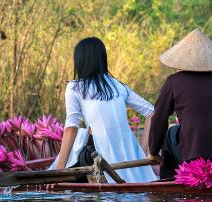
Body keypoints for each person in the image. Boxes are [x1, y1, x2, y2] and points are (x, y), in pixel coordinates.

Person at [147, 28, 212, 179]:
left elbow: (159, 119)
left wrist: (154, 152)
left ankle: (168, 184)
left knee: (170, 133)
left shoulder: (173, 82)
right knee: (174, 131)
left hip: (194, 156)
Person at [51, 37, 158, 183]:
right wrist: (140, 151)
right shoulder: (118, 86)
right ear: (102, 59)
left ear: (80, 61)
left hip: (99, 155)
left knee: (80, 149)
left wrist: (59, 172)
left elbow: (71, 129)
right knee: (84, 135)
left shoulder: (75, 87)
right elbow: (152, 112)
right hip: (129, 154)